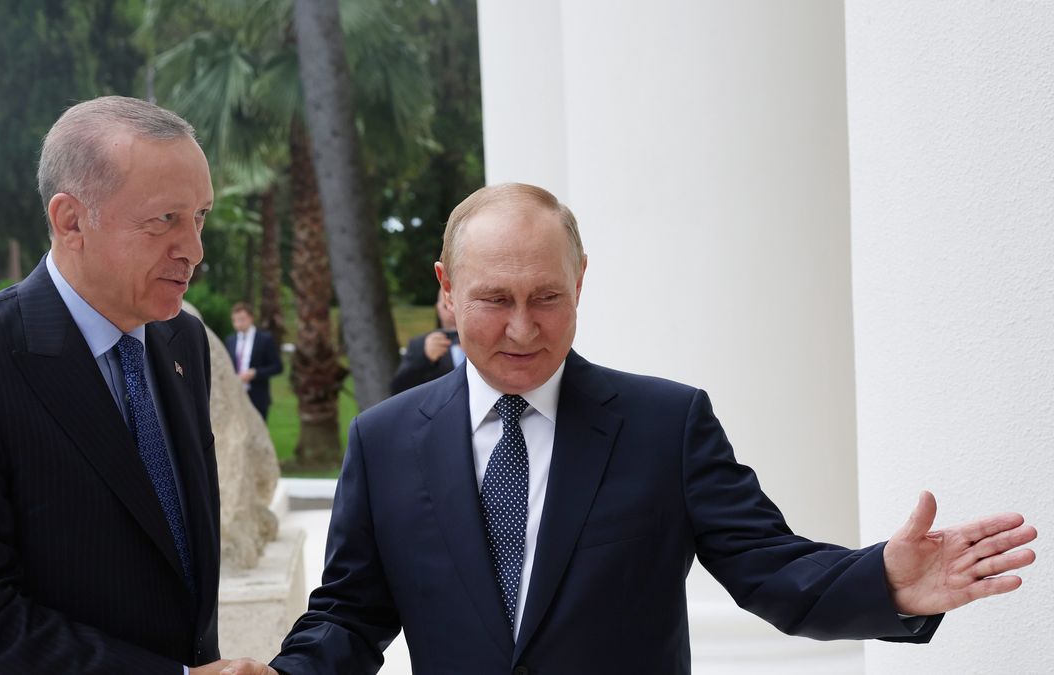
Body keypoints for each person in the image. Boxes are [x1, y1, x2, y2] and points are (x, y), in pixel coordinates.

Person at [267, 183, 1038, 674]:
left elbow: (772, 569)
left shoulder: (667, 425)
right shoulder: (383, 440)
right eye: (495, 299)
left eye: (547, 297)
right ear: (446, 289)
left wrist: (888, 583)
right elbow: (351, 615)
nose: (523, 328)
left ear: (582, 282)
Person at [0, 96, 266, 675]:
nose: (193, 249)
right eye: (164, 219)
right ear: (70, 221)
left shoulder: (180, 341)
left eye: (200, 217)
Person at [389, 290, 463, 394]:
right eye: (446, 306)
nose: (452, 311)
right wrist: (425, 359)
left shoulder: (486, 340)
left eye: (459, 305)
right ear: (438, 309)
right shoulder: (420, 344)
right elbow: (399, 389)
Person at [225, 302, 283, 418]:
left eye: (242, 319)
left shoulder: (265, 339)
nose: (238, 323)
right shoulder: (230, 340)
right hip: (236, 395)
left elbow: (277, 367)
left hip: (258, 396)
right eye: (235, 320)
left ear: (251, 318)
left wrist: (255, 373)